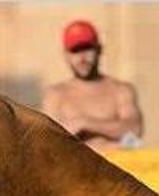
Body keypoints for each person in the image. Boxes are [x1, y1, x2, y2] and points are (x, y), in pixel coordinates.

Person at [41, 20, 144, 151]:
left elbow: (134, 132)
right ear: (66, 55)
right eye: (75, 51)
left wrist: (84, 123)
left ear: (99, 50)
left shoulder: (120, 91)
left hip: (114, 167)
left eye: (87, 49)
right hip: (74, 169)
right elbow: (49, 141)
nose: (82, 58)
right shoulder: (55, 95)